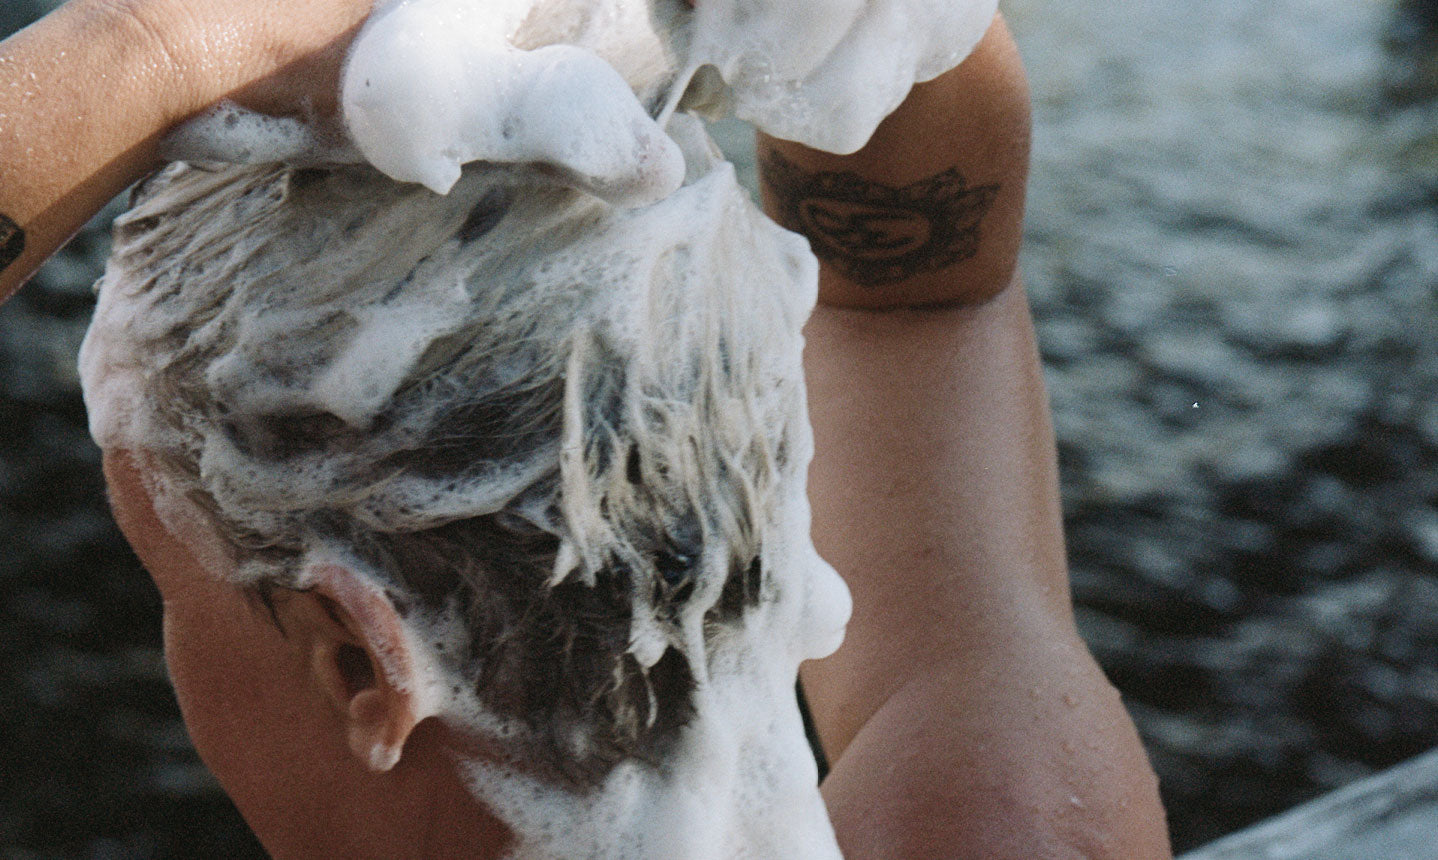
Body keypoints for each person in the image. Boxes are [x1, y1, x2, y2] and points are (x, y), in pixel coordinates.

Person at [0, 1, 1173, 857]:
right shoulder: (1012, 814)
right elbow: (925, 305)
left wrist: (146, 48)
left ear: (360, 656)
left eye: (169, 583)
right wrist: (870, 35)